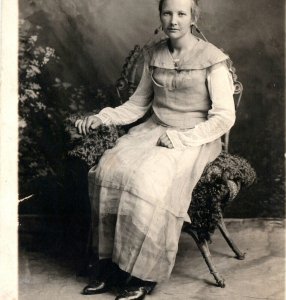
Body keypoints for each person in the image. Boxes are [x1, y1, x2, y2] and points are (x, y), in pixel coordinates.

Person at [75, 0, 235, 299]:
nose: (173, 20)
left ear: (193, 17)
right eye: (167, 13)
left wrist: (182, 138)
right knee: (108, 169)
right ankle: (110, 266)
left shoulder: (213, 59)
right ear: (160, 16)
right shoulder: (154, 54)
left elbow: (224, 116)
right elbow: (138, 104)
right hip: (153, 130)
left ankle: (141, 274)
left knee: (147, 179)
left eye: (181, 13)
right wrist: (103, 117)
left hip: (195, 137)